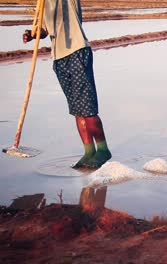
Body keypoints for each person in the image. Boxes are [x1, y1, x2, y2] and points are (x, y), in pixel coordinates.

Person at [22, 0, 111, 169]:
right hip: (58, 57)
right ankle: (88, 151)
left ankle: (103, 149)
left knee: (87, 107)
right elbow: (45, 30)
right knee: (77, 109)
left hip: (77, 51)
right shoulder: (42, 3)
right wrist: (32, 34)